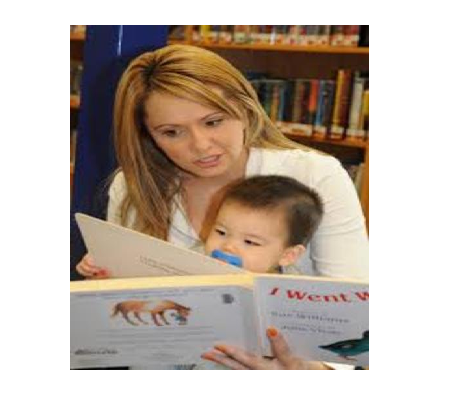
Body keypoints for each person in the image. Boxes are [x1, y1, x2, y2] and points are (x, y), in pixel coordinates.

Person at [75, 44, 369, 369]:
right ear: (148, 136)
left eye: (213, 122)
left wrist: (307, 372)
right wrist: (103, 289)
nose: (201, 146)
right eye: (171, 132)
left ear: (245, 107)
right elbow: (130, 315)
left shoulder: (313, 175)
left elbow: (355, 315)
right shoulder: (133, 187)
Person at [205, 175, 323, 274]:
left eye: (250, 242)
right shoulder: (193, 264)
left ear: (287, 255)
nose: (228, 247)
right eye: (221, 232)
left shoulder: (289, 294)